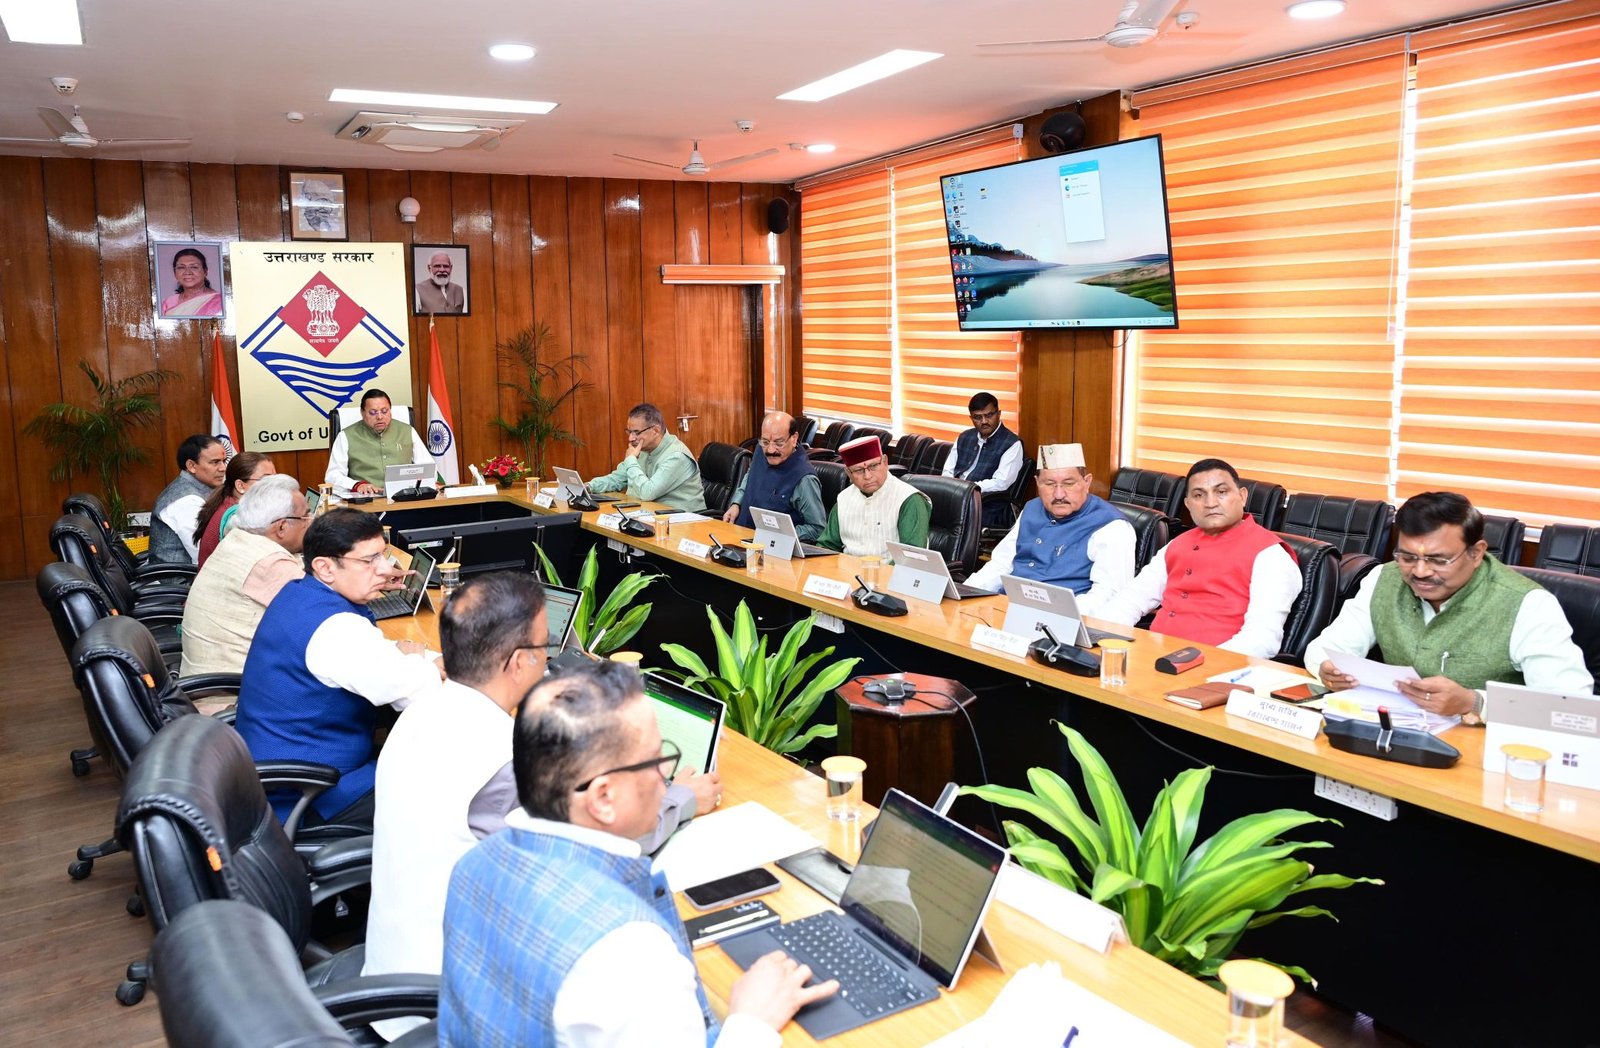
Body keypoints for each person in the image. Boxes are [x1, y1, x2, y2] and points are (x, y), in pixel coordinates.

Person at [364, 573, 721, 1040]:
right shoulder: (500, 756)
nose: (550, 658)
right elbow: (600, 829)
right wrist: (683, 796)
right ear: (518, 662)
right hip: (455, 997)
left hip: (403, 961)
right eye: (545, 646)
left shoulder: (425, 708)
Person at [438, 659, 837, 1046]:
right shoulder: (628, 952)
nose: (667, 778)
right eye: (657, 760)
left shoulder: (473, 864)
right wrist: (753, 1020)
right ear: (603, 797)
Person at [234, 509, 444, 832]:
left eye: (383, 555)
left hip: (289, 766)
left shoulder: (301, 593)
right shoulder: (336, 629)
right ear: (325, 567)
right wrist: (419, 661)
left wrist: (420, 660)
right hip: (311, 796)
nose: (386, 569)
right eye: (369, 560)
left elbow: (374, 658)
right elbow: (418, 694)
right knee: (451, 784)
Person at [1305, 492, 1592, 723]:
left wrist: (1475, 702)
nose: (1420, 572)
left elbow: (1572, 707)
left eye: (1438, 560)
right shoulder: (1384, 578)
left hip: (1489, 754)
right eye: (1407, 557)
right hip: (1397, 734)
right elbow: (1324, 650)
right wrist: (1327, 669)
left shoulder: (1528, 604)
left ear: (1476, 553)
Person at [1097, 458, 1301, 658]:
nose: (1210, 503)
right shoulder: (1177, 544)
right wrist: (1098, 636)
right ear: (1188, 504)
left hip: (1217, 667)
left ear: (1242, 496)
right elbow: (1131, 600)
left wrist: (1197, 663)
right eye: (1199, 495)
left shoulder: (1271, 556)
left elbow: (1261, 640)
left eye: (1221, 492)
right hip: (1151, 656)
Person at [964, 442, 1135, 614]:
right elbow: (1001, 564)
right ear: (1037, 483)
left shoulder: (1112, 526)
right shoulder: (1032, 508)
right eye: (1049, 484)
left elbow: (1108, 595)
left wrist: (1061, 615)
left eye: (1069, 483)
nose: (1059, 494)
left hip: (1066, 617)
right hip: (1008, 607)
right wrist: (965, 593)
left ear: (1087, 482)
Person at [178, 476, 310, 677]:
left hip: (209, 677)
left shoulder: (237, 539)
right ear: (282, 527)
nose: (311, 522)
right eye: (306, 516)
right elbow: (319, 612)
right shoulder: (268, 562)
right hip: (234, 688)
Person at [815, 434, 931, 557]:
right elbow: (827, 546)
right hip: (846, 567)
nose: (867, 476)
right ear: (848, 473)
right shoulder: (844, 498)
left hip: (889, 568)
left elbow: (910, 557)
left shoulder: (909, 499)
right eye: (859, 470)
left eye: (873, 466)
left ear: (885, 462)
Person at [722, 411, 826, 541]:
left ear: (794, 439)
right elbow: (750, 476)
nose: (770, 450)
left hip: (772, 547)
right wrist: (736, 503)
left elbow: (817, 528)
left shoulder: (805, 479)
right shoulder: (760, 450)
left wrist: (783, 534)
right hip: (741, 535)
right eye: (765, 442)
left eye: (779, 443)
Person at [588, 402, 707, 513]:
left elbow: (647, 492)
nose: (631, 438)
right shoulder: (644, 449)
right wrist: (588, 486)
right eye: (629, 432)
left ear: (656, 430)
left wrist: (631, 460)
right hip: (651, 515)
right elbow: (617, 479)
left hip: (683, 521)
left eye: (636, 432)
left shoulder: (677, 456)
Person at [325, 388, 432, 496]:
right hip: (365, 498)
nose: (380, 417)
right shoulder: (345, 436)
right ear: (362, 413)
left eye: (385, 411)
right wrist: (356, 485)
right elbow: (332, 476)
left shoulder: (407, 431)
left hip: (404, 497)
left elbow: (428, 467)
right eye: (373, 413)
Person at [942, 392, 1024, 526]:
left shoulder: (1012, 443)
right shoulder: (964, 437)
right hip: (955, 498)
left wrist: (966, 489)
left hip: (984, 505)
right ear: (971, 418)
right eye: (978, 417)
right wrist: (950, 489)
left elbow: (1001, 482)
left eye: (989, 415)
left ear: (999, 414)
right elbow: (948, 471)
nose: (984, 421)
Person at [149, 434, 228, 564]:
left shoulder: (201, 489)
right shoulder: (186, 501)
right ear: (191, 466)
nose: (223, 468)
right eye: (215, 462)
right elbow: (204, 554)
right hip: (181, 575)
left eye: (224, 461)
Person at [194, 451, 274, 567]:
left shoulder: (228, 502)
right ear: (240, 486)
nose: (275, 485)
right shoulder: (238, 516)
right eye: (266, 480)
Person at [160, 247, 223, 318]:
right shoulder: (168, 302)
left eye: (194, 267)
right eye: (181, 267)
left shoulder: (219, 301)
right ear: (175, 274)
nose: (187, 272)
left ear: (205, 271)